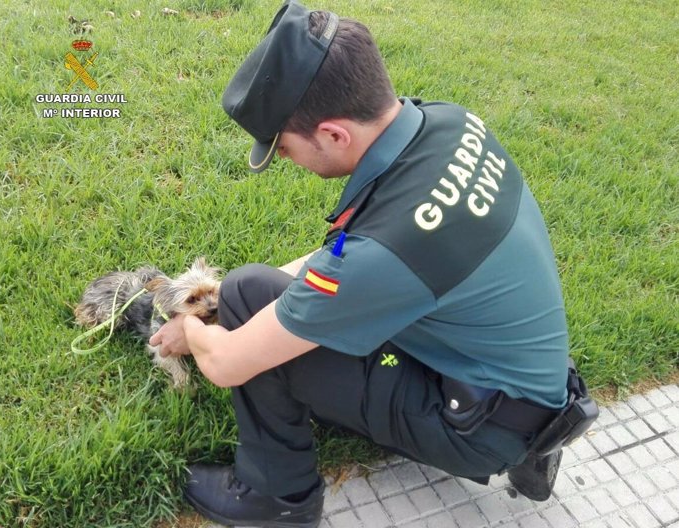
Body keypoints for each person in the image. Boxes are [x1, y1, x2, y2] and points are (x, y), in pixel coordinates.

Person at [150, 1, 595, 526]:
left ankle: (276, 497)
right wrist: (273, 295)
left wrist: (191, 329)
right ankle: (530, 449)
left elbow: (227, 364)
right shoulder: (449, 123)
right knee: (257, 296)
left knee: (246, 296)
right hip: (531, 387)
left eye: (285, 147)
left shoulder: (388, 252)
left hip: (477, 428)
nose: (284, 159)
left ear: (335, 134)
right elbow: (348, 257)